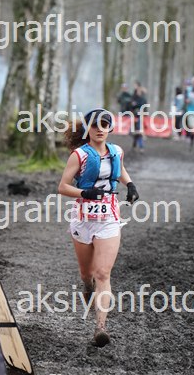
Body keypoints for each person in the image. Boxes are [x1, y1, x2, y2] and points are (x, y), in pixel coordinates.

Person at [58, 108, 139, 347]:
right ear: (88, 129)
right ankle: (86, 285)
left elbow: (120, 170)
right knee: (87, 274)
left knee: (103, 273)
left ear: (110, 128)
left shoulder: (117, 151)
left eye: (105, 124)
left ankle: (100, 328)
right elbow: (62, 187)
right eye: (95, 125)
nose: (100, 129)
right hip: (83, 220)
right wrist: (85, 192)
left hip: (109, 220)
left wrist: (130, 184)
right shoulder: (79, 155)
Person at [130, 81, 147, 152]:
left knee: (138, 131)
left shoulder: (143, 98)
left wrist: (136, 104)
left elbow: (144, 107)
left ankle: (141, 146)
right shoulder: (134, 96)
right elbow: (131, 105)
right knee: (133, 132)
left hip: (140, 116)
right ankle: (135, 145)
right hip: (134, 116)